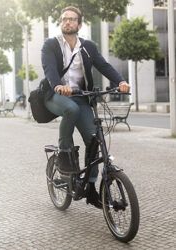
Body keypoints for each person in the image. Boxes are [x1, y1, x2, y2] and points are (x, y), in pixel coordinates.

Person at [41, 6, 130, 208]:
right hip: (55, 95)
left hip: (81, 97)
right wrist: (58, 85)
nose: (68, 22)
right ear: (61, 22)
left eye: (72, 19)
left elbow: (104, 66)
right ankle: (64, 154)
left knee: (94, 140)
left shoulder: (88, 46)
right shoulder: (51, 45)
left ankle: (90, 187)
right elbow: (49, 69)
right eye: (64, 19)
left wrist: (121, 81)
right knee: (70, 109)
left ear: (79, 24)